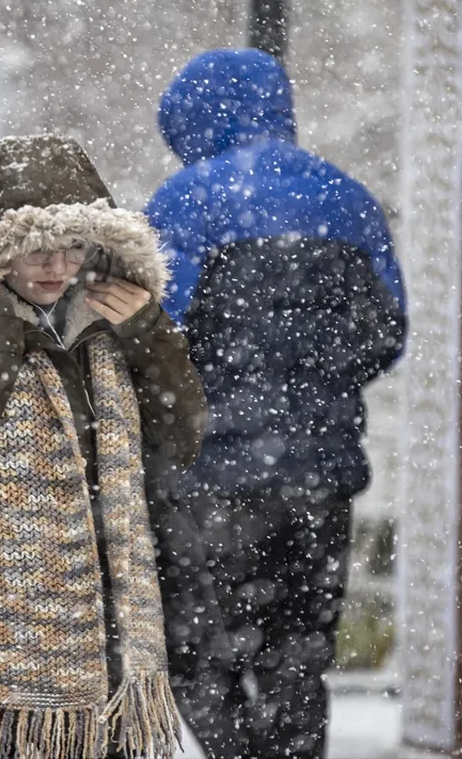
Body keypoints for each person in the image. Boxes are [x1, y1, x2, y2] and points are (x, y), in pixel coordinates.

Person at [0, 135, 210, 759]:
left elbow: (181, 440)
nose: (57, 267)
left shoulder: (116, 325)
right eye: (36, 250)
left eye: (73, 247)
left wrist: (149, 337)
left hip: (101, 659)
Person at [145, 48, 407, 759]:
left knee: (199, 654)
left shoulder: (184, 203)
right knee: (297, 658)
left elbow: (151, 336)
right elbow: (387, 335)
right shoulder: (350, 201)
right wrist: (311, 392)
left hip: (209, 478)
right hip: (322, 473)